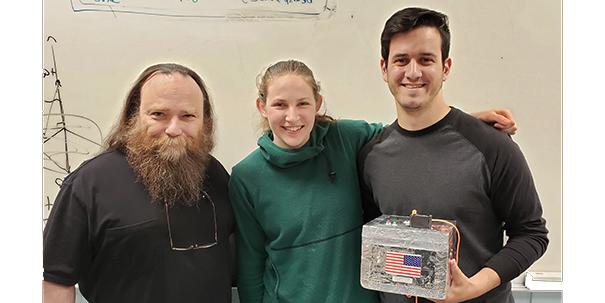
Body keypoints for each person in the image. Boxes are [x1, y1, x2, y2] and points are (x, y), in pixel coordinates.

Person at [228, 60, 518, 303]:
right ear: (262, 107)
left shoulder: (345, 139)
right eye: (280, 104)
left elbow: (409, 133)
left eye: (302, 103)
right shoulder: (247, 176)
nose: (292, 116)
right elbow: (251, 265)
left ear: (317, 104)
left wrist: (467, 122)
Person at [358, 7, 549, 303]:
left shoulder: (492, 147)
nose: (412, 72)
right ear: (384, 68)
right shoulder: (372, 156)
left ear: (445, 67)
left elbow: (532, 234)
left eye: (426, 60)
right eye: (401, 60)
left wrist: (474, 286)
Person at [43, 63, 235, 303]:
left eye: (187, 115)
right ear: (134, 116)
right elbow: (55, 279)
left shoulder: (216, 175)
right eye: (158, 115)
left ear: (204, 121)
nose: (173, 129)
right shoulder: (89, 184)